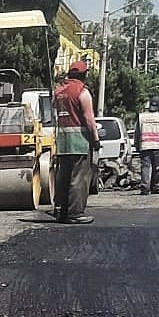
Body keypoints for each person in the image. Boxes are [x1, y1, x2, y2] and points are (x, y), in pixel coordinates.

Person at [52, 60, 100, 224]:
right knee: (78, 178)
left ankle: (61, 211)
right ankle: (75, 213)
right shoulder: (82, 92)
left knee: (62, 177)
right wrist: (95, 139)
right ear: (83, 75)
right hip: (79, 141)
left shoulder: (58, 91)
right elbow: (89, 119)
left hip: (62, 141)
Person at [134, 94, 159, 195]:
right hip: (158, 146)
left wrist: (137, 145)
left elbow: (137, 132)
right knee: (156, 167)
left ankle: (145, 188)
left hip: (144, 145)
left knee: (145, 167)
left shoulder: (141, 116)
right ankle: (155, 187)